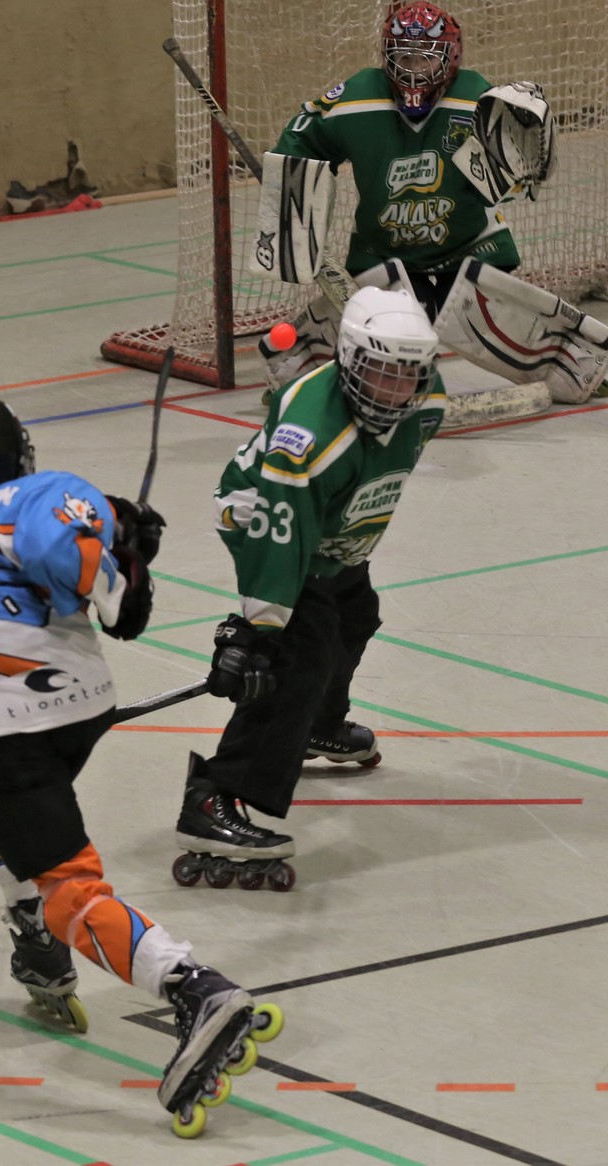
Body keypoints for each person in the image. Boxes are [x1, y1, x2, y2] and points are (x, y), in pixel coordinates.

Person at [0, 399, 282, 1136]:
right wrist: (129, 548)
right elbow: (113, 595)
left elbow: (65, 559)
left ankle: (192, 986)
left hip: (8, 729)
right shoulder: (55, 488)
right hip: (79, 711)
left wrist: (115, 565)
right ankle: (35, 935)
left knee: (70, 890)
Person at [172, 285, 445, 892]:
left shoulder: (428, 402)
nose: (396, 389)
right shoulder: (308, 440)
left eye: (409, 374)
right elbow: (281, 538)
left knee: (355, 615)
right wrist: (261, 634)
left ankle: (317, 725)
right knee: (300, 654)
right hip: (269, 516)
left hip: (331, 528)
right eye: (381, 372)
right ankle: (215, 798)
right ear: (349, 361)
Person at [255, 0, 608, 401]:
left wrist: (526, 159)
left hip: (470, 242)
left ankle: (569, 361)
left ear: (450, 58)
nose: (412, 69)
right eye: (403, 57)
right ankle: (300, 370)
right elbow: (303, 133)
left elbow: (511, 177)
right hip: (383, 248)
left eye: (425, 59)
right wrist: (289, 184)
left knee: (483, 311)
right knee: (383, 317)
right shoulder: (356, 96)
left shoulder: (476, 96)